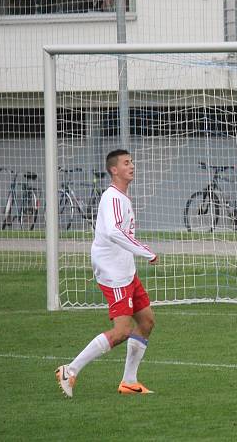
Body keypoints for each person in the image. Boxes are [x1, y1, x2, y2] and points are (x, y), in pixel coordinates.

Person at [55, 150, 158, 398]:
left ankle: (129, 381)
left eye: (131, 161)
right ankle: (70, 370)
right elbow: (113, 232)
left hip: (126, 270)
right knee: (122, 330)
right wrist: (146, 251)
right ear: (114, 170)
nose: (132, 166)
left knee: (146, 322)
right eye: (126, 163)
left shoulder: (122, 197)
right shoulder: (112, 197)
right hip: (114, 274)